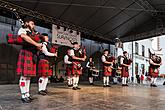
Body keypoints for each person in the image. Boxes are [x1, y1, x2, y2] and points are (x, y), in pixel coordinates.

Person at [16, 17, 42, 103]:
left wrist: (39, 48)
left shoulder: (33, 33)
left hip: (32, 55)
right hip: (26, 53)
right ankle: (23, 95)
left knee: (28, 76)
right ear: (26, 23)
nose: (33, 25)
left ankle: (27, 94)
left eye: (33, 24)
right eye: (32, 23)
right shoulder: (23, 30)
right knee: (23, 76)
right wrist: (36, 44)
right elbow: (23, 37)